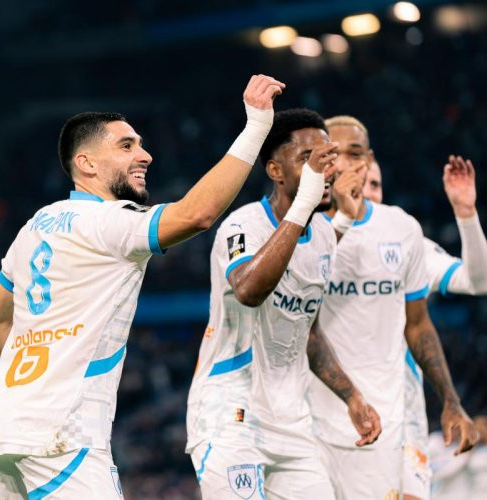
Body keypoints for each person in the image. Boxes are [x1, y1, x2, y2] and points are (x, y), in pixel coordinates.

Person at [0, 74, 285, 498]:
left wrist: (38, 381)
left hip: (0, 430)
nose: (145, 155)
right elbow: (196, 214)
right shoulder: (108, 222)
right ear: (86, 163)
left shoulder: (36, 226)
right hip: (63, 436)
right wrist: (257, 128)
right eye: (127, 146)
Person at [186, 108, 381, 499]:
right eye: (308, 160)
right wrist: (303, 206)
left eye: (326, 158)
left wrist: (352, 396)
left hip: (292, 423)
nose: (323, 170)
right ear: (275, 170)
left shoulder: (323, 236)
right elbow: (248, 291)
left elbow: (308, 330)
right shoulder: (243, 225)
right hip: (231, 413)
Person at [307, 116, 479, 499]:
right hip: (318, 421)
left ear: (369, 160)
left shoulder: (402, 232)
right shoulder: (300, 233)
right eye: (336, 154)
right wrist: (344, 217)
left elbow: (426, 320)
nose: (349, 165)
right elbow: (298, 322)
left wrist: (451, 401)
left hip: (394, 417)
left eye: (356, 154)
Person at [365, 155, 487, 500]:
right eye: (360, 184)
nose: (369, 193)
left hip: (402, 418)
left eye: (375, 185)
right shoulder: (315, 244)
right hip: (329, 417)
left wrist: (466, 215)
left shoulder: (406, 245)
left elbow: (478, 280)